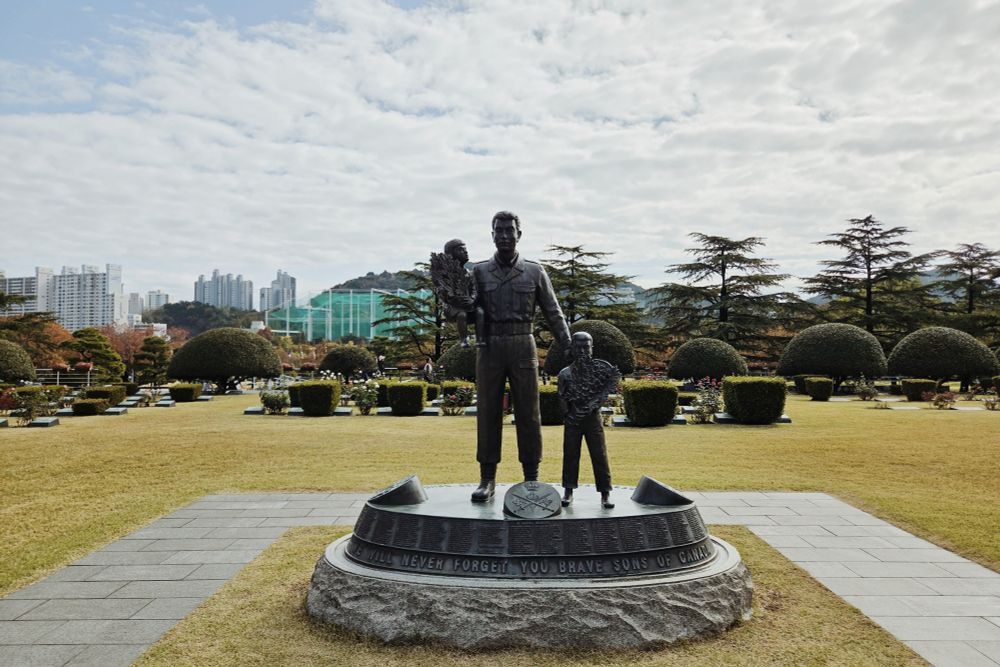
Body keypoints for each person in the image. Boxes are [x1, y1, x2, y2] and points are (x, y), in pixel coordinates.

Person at [470, 211, 572, 502]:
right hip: (488, 345)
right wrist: (454, 305)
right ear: (492, 235)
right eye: (498, 231)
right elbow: (465, 310)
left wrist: (568, 344)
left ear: (519, 235)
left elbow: (554, 312)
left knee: (529, 412)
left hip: (522, 344)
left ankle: (532, 478)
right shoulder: (478, 272)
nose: (504, 235)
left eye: (509, 231)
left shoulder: (534, 271)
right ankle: (487, 479)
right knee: (488, 412)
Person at [557, 332, 618, 509]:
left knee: (600, 455)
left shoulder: (600, 371)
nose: (583, 350)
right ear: (572, 349)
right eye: (579, 347)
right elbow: (561, 396)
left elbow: (604, 393)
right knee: (570, 455)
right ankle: (568, 491)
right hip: (572, 420)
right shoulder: (565, 373)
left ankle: (605, 493)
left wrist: (593, 405)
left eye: (587, 347)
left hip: (593, 420)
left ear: (592, 348)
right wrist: (569, 414)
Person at [431, 240, 486, 347]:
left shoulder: (468, 273)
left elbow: (474, 288)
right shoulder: (445, 274)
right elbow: (444, 293)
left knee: (480, 312)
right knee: (462, 314)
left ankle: (480, 339)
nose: (465, 252)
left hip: (470, 304)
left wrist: (472, 299)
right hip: (454, 307)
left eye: (465, 250)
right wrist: (458, 299)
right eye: (461, 250)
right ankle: (463, 340)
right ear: (450, 254)